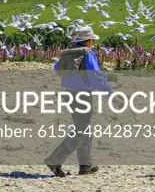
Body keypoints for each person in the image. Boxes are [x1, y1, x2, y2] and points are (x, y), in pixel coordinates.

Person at [45, 26, 110, 177]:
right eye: (92, 40)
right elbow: (96, 76)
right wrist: (108, 92)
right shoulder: (88, 54)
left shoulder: (68, 53)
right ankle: (55, 160)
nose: (92, 43)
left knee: (84, 129)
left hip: (69, 93)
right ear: (89, 41)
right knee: (82, 131)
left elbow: (56, 69)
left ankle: (85, 166)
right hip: (82, 95)